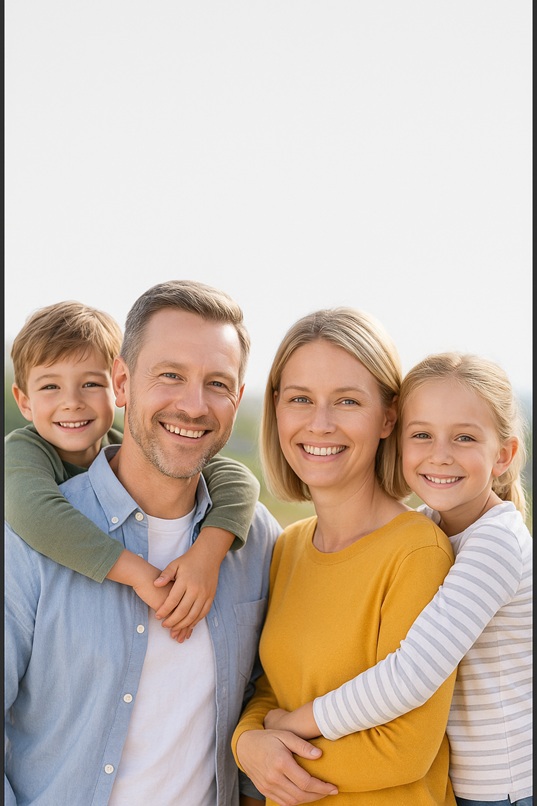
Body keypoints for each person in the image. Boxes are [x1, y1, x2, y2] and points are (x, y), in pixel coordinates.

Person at [5, 280, 280, 805]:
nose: (194, 406)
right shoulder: (27, 534)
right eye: (171, 375)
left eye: (217, 383)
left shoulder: (258, 541)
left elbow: (264, 693)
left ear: (238, 397)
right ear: (123, 383)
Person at [265, 352, 533, 806]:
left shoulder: (496, 543)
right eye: (422, 435)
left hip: (501, 788)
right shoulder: (430, 524)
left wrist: (292, 723)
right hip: (466, 785)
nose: (440, 455)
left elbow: (408, 676)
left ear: (503, 455)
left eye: (465, 437)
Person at [232, 307, 458, 805]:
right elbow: (273, 690)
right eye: (300, 399)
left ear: (388, 417)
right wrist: (246, 742)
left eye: (347, 401)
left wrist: (276, 762)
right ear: (276, 408)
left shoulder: (417, 553)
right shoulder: (288, 546)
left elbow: (404, 749)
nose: (320, 424)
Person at [5, 299, 261, 640]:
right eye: (51, 386)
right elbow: (36, 515)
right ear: (24, 401)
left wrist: (206, 555)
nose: (72, 402)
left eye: (91, 384)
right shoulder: (20, 452)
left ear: (118, 385)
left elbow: (239, 480)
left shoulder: (127, 445)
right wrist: (140, 575)